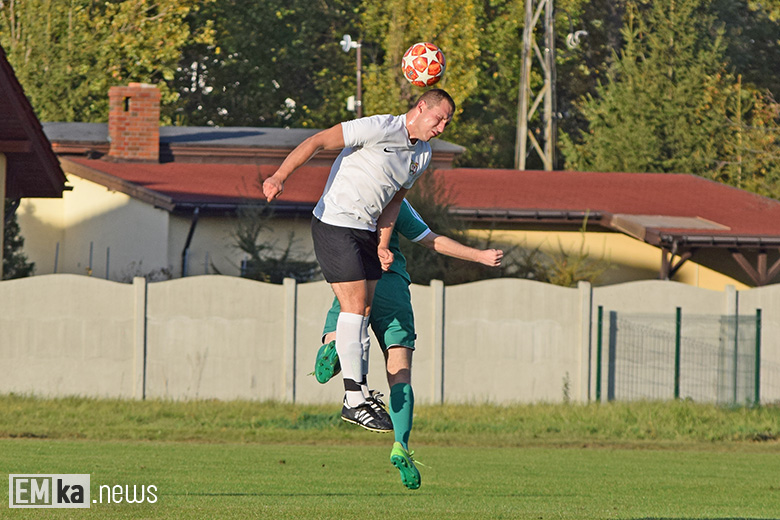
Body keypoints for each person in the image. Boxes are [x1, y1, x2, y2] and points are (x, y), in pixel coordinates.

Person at [263, 89, 456, 435]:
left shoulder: (421, 156)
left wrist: (383, 243)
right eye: (438, 118)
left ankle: (359, 393)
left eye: (447, 122)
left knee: (363, 311)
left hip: (366, 232)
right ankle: (355, 398)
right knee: (353, 308)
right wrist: (280, 176)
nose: (441, 127)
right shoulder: (379, 127)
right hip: (335, 221)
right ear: (421, 107)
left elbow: (395, 201)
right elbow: (318, 141)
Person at [314, 198, 503, 489]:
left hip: (354, 283)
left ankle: (333, 347)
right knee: (399, 370)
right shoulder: (394, 201)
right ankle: (400, 444)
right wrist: (479, 256)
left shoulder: (344, 194)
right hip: (390, 286)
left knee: (347, 323)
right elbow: (430, 240)